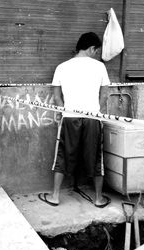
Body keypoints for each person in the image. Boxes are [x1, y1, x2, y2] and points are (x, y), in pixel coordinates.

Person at [38, 32, 111, 208]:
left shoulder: (62, 67)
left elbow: (56, 96)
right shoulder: (99, 67)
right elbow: (104, 94)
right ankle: (99, 198)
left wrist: (65, 110)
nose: (97, 54)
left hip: (69, 117)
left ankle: (55, 196)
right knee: (96, 158)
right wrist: (96, 111)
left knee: (62, 154)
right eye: (97, 50)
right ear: (92, 48)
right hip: (92, 118)